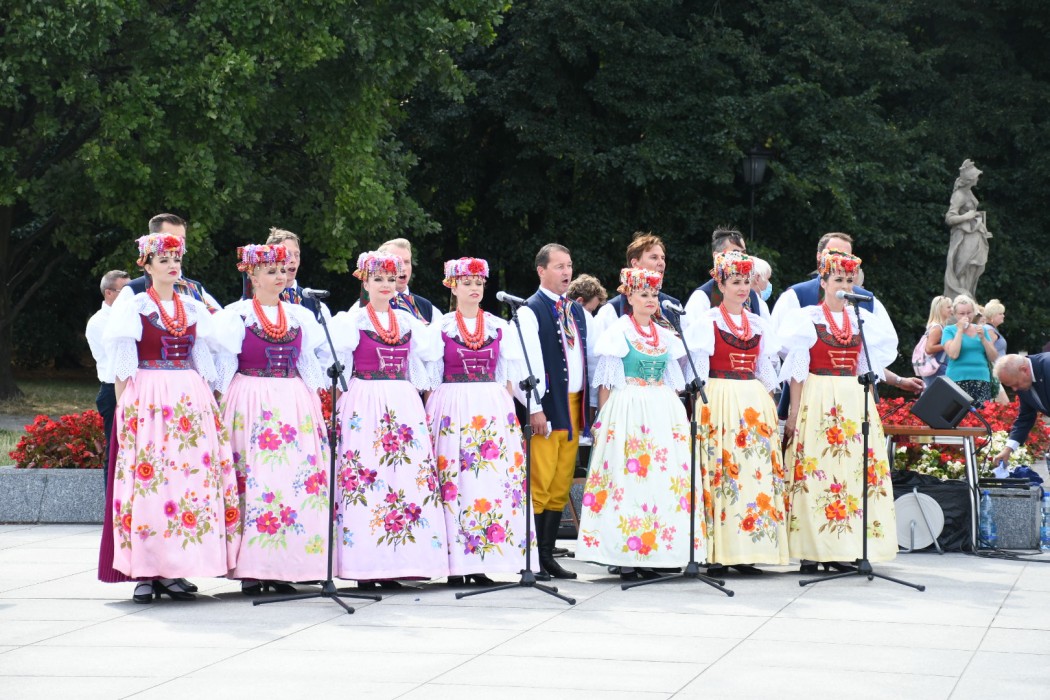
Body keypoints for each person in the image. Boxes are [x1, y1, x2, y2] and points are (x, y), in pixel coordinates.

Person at [99, 233, 240, 602]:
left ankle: (175, 568)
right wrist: (123, 413)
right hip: (148, 396)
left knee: (183, 483)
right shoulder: (135, 306)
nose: (173, 265)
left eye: (176, 259)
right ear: (146, 266)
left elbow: (203, 360)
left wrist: (210, 405)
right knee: (150, 485)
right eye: (163, 260)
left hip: (188, 399)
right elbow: (122, 367)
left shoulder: (193, 308)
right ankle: (146, 572)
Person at [213, 244, 332, 595]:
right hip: (250, 400)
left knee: (292, 479)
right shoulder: (235, 316)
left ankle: (288, 564)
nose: (280, 276)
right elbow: (223, 369)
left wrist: (313, 402)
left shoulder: (300, 316)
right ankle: (252, 568)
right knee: (255, 480)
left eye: (282, 270)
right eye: (271, 271)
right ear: (252, 275)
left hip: (293, 401)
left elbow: (311, 363)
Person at [329, 251, 448, 587]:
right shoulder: (352, 321)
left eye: (390, 279)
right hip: (365, 400)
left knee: (403, 481)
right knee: (366, 480)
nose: (385, 285)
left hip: (402, 402)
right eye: (377, 279)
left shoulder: (408, 322)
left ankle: (398, 562)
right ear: (364, 282)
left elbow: (430, 356)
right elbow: (336, 367)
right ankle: (365, 567)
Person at [576, 267, 702, 579]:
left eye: (654, 294)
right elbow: (606, 382)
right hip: (628, 407)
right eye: (643, 294)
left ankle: (655, 551)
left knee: (659, 479)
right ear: (629, 296)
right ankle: (625, 555)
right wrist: (602, 420)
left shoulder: (665, 335)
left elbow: (674, 382)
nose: (650, 300)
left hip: (660, 409)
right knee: (628, 479)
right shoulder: (618, 332)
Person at [780, 251, 898, 572]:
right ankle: (812, 549)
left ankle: (847, 546)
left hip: (853, 398)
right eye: (838, 280)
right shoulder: (806, 319)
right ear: (823, 282)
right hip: (819, 396)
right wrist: (794, 413)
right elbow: (798, 372)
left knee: (853, 473)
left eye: (849, 280)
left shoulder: (861, 320)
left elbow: (866, 368)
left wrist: (869, 408)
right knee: (818, 472)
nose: (844, 286)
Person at [425, 257, 528, 585]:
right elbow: (431, 380)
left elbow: (506, 378)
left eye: (479, 283)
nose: (474, 288)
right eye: (467, 283)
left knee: (487, 481)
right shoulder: (440, 328)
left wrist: (508, 419)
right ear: (452, 287)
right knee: (454, 480)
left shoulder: (499, 327)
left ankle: (483, 558)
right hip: (452, 405)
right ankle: (454, 562)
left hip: (490, 408)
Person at [686, 251, 788, 575]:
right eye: (735, 282)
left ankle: (747, 552)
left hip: (752, 404)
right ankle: (718, 553)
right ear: (721, 285)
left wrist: (770, 408)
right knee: (722, 474)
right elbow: (698, 375)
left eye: (746, 282)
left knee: (751, 475)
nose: (743, 288)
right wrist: (702, 411)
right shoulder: (708, 323)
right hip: (719, 400)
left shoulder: (758, 324)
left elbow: (766, 372)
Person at [516, 243, 593, 580]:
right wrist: (534, 408)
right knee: (540, 481)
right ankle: (533, 557)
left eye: (569, 265)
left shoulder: (576, 312)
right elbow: (524, 364)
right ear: (541, 270)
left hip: (573, 406)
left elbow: (589, 359)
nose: (567, 272)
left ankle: (547, 555)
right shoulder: (529, 310)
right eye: (559, 266)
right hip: (547, 408)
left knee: (561, 483)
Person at [126, 214, 222, 312]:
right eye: (169, 238)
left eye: (181, 239)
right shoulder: (133, 290)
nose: (177, 244)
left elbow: (220, 318)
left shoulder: (195, 288)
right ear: (153, 240)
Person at [593, 232, 682, 338]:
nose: (661, 262)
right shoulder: (612, 310)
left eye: (663, 258)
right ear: (635, 264)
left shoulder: (674, 306)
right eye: (654, 257)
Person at [85, 270, 130, 469]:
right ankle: (111, 490)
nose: (131, 295)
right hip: (113, 390)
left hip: (134, 387)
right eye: (125, 290)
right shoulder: (98, 322)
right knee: (116, 450)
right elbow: (120, 357)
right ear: (109, 293)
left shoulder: (132, 316)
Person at [682, 227, 763, 329]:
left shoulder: (753, 296)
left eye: (743, 253)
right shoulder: (703, 296)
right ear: (717, 256)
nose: (741, 257)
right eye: (735, 253)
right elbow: (691, 334)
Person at [943, 159, 991, 299]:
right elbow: (949, 218)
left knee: (972, 269)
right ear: (970, 179)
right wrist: (966, 216)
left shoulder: (968, 191)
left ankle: (968, 300)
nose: (978, 179)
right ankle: (960, 300)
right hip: (964, 237)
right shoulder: (959, 195)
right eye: (976, 176)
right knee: (963, 269)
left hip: (974, 234)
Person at [263, 227, 331, 321]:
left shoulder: (317, 306)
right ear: (270, 259)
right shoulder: (255, 301)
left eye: (297, 255)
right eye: (287, 254)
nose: (293, 260)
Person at [993, 354, 1050, 465]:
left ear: (1024, 370)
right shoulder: (1022, 382)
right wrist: (1008, 449)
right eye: (1011, 386)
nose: (1014, 389)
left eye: (1015, 384)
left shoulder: (1047, 365)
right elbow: (1025, 417)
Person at [941, 294, 997, 405]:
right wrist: (960, 330)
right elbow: (953, 354)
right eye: (962, 313)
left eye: (969, 312)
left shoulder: (982, 330)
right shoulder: (949, 330)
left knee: (980, 414)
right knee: (956, 413)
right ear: (955, 314)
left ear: (974, 312)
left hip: (981, 379)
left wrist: (983, 339)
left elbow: (993, 357)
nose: (966, 316)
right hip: (956, 379)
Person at [921, 295, 953, 390]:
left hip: (935, 367)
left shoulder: (936, 326)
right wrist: (947, 344)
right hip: (938, 368)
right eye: (948, 307)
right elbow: (929, 348)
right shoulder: (937, 328)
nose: (951, 310)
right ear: (940, 309)